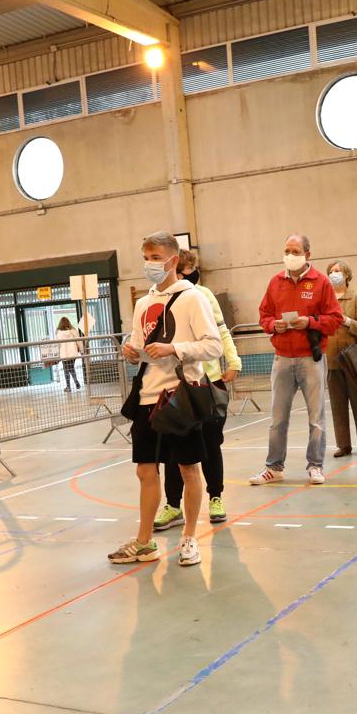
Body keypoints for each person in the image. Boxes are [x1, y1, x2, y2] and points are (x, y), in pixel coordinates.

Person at [109, 231, 222, 567]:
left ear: (173, 260)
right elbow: (138, 342)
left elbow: (213, 345)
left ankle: (190, 538)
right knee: (146, 470)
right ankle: (145, 542)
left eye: (156, 257)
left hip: (179, 398)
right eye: (146, 257)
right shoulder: (143, 303)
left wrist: (175, 348)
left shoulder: (192, 298)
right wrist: (131, 351)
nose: (150, 264)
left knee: (188, 468)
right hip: (147, 396)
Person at [249, 234, 344, 486]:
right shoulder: (275, 282)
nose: (290, 255)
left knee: (316, 418)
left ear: (307, 255)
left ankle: (315, 466)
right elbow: (264, 315)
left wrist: (310, 322)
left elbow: (335, 319)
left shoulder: (321, 282)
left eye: (295, 251)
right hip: (282, 358)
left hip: (310, 359)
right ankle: (274, 468)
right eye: (287, 251)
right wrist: (273, 325)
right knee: (277, 419)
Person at [156, 248, 241, 531]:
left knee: (210, 444)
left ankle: (216, 497)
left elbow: (222, 331)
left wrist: (234, 361)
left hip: (208, 383)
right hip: (174, 385)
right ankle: (173, 505)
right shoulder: (159, 299)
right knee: (174, 449)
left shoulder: (203, 296)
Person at [324, 261, 357, 457]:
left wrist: (346, 321)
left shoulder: (356, 298)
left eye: (337, 271)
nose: (333, 274)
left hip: (353, 360)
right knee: (337, 406)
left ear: (346, 275)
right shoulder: (325, 299)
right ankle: (343, 445)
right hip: (332, 360)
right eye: (331, 271)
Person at [54, 316, 83, 393]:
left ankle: (68, 387)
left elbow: (58, 344)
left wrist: (57, 355)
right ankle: (76, 382)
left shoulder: (59, 332)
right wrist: (82, 350)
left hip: (64, 354)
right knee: (71, 368)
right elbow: (79, 341)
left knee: (66, 370)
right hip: (73, 353)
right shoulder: (73, 331)